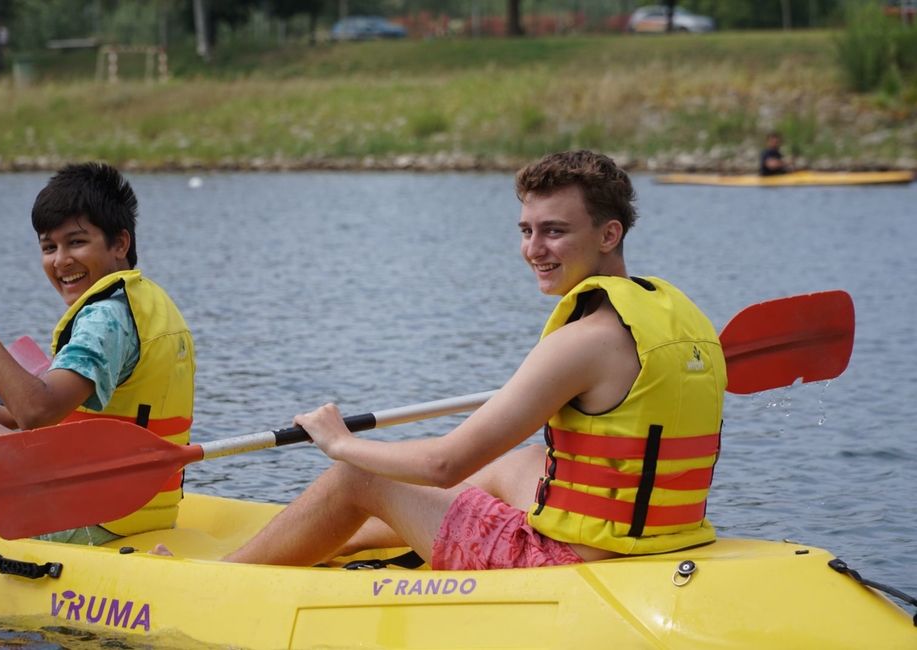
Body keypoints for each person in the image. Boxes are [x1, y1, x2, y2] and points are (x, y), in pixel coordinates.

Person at [156, 150, 726, 569]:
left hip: (563, 564)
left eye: (555, 232)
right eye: (527, 231)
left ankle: (224, 574)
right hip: (659, 537)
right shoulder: (678, 316)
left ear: (609, 234)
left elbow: (442, 467)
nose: (534, 249)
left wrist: (337, 440)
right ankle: (346, 539)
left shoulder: (581, 342)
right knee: (522, 462)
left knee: (358, 476)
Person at [0, 162, 195, 544]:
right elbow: (59, 415)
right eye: (49, 247)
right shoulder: (145, 302)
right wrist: (10, 418)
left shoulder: (105, 319)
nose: (60, 260)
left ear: (120, 244)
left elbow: (38, 411)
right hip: (137, 511)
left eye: (76, 242)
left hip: (86, 518)